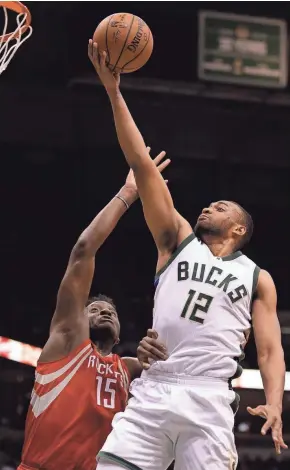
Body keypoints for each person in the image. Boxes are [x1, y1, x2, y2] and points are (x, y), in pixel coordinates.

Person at [88, 41, 287, 470]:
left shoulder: (258, 278)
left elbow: (269, 352)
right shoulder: (176, 239)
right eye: (208, 204)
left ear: (238, 229)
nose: (207, 207)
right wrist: (114, 92)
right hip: (155, 386)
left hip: (208, 395)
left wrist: (275, 404)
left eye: (220, 207)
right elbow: (141, 164)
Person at [17, 159, 170, 470]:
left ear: (119, 330)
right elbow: (83, 250)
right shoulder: (66, 342)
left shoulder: (128, 368)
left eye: (110, 311)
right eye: (94, 309)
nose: (104, 312)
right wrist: (128, 193)